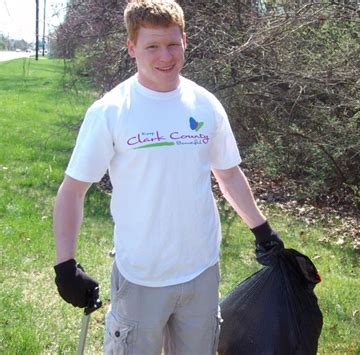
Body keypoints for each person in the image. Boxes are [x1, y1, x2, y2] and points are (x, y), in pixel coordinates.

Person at [52, 0, 283, 353]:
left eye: (173, 44)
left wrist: (263, 231)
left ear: (185, 41)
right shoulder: (111, 111)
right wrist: (65, 265)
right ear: (132, 48)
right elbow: (73, 190)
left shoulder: (205, 104)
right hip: (141, 277)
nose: (166, 56)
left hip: (201, 272)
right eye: (152, 46)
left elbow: (228, 172)